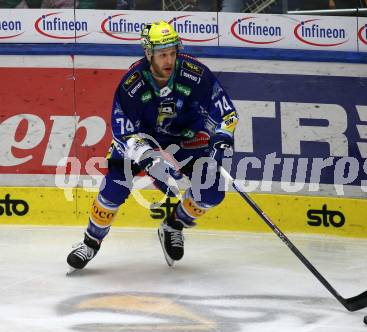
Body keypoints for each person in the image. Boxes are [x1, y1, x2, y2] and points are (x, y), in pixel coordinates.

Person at [66, 20, 238, 270]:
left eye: (172, 53)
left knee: (211, 192)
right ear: (149, 54)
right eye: (162, 55)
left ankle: (173, 225)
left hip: (185, 140)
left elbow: (226, 113)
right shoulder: (132, 84)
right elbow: (123, 132)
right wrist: (148, 157)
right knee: (115, 185)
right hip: (142, 142)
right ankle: (90, 243)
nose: (169, 60)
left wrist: (222, 138)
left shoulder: (196, 74)